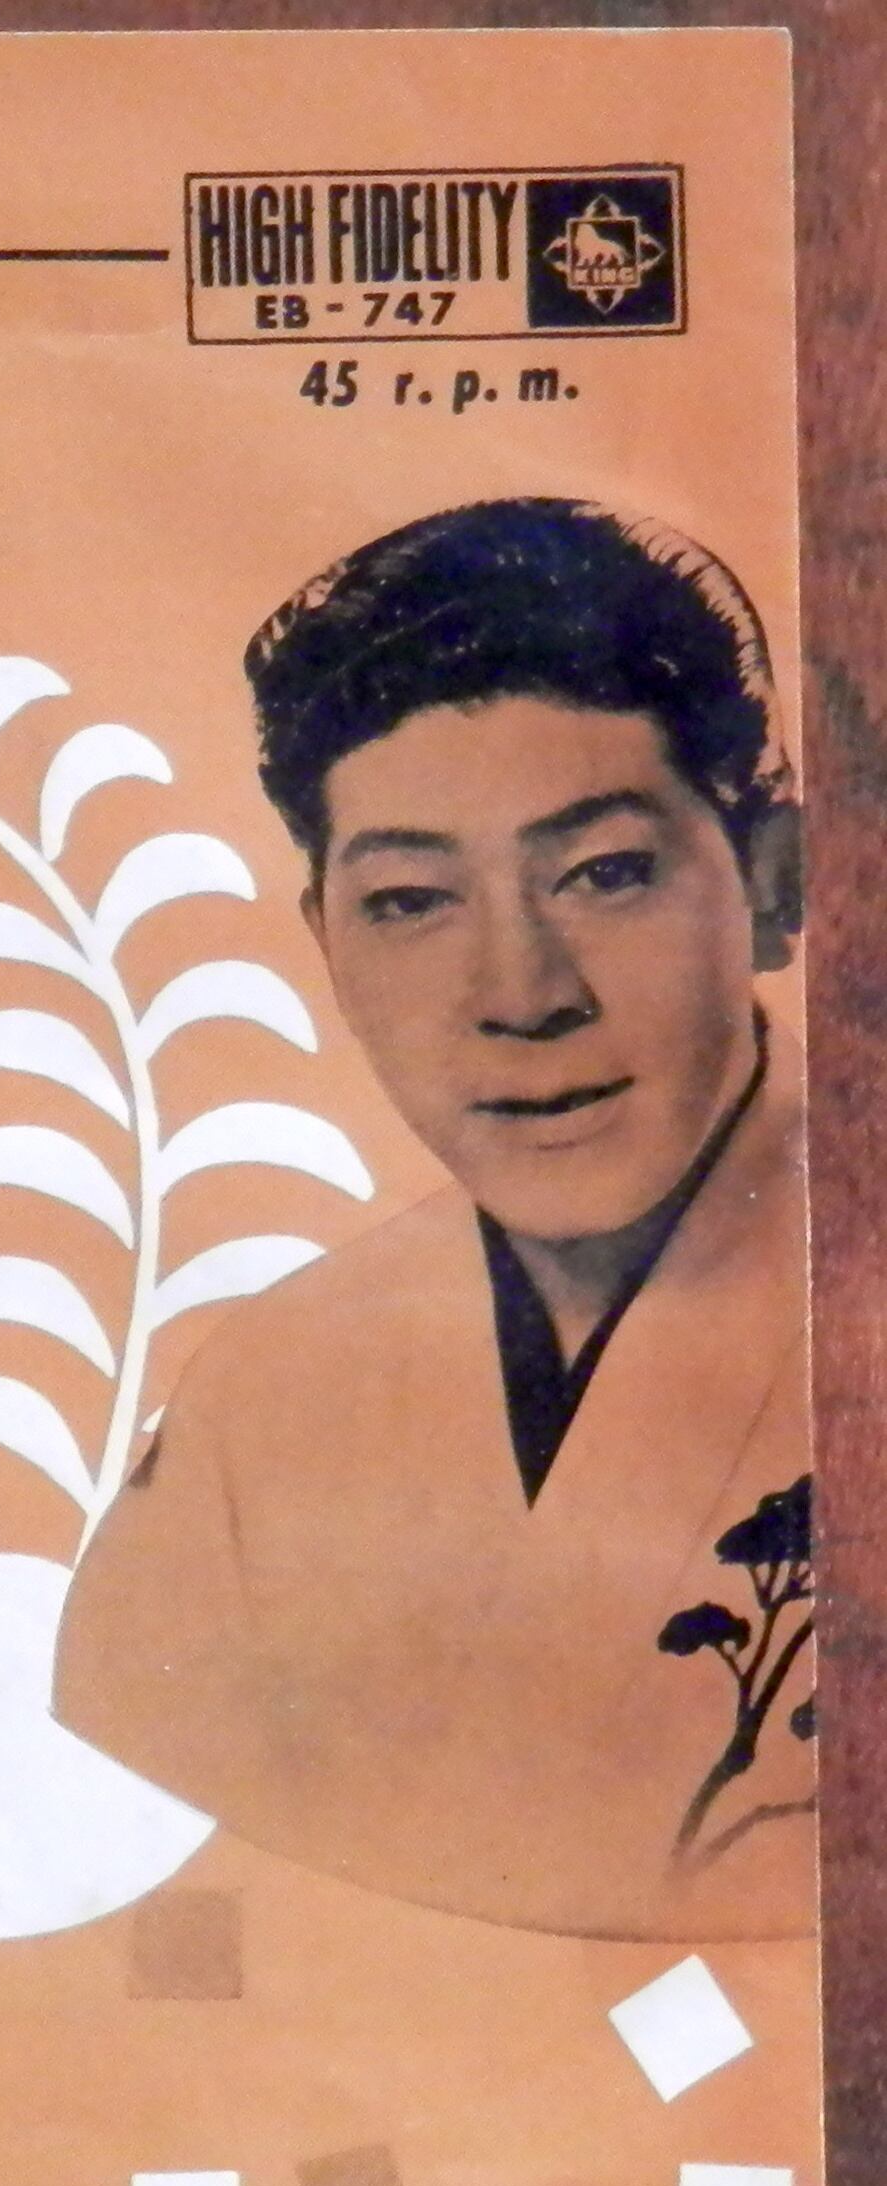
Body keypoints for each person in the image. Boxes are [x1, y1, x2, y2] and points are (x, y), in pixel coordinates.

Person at [55, 498, 813, 1941]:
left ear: (776, 881)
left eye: (605, 874)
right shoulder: (265, 1399)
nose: (521, 994)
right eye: (410, 900)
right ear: (325, 943)